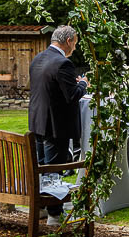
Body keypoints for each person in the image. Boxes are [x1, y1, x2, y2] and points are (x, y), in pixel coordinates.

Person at [27, 26, 85, 174]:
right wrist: (83, 84)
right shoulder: (63, 63)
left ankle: (40, 196)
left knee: (39, 170)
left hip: (37, 121)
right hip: (55, 125)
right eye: (75, 43)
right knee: (53, 171)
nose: (75, 47)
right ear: (68, 41)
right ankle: (50, 197)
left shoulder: (37, 58)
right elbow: (72, 96)